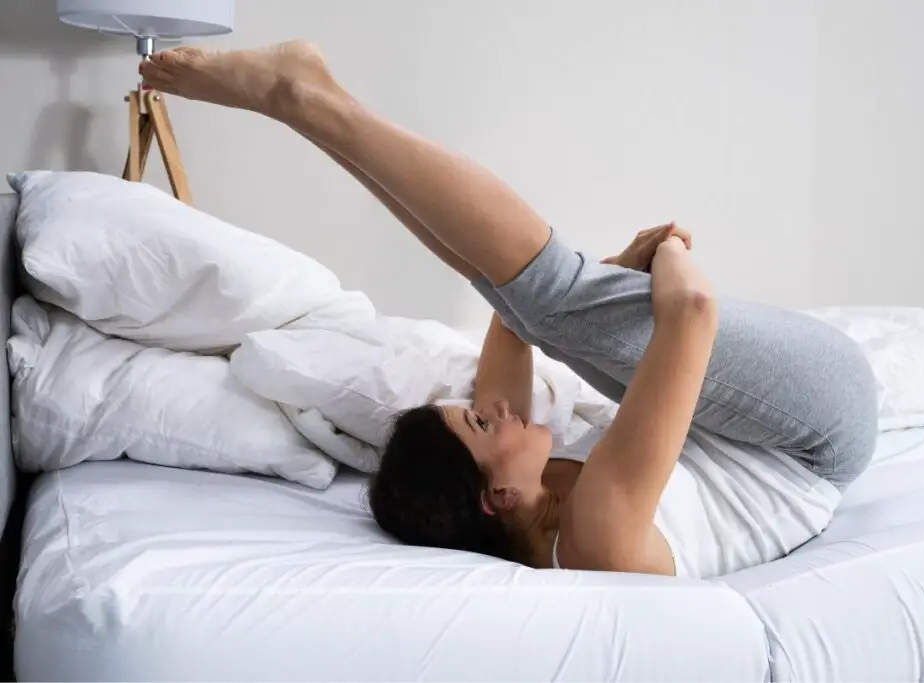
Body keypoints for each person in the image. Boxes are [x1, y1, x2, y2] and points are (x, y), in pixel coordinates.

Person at [140, 41, 879, 578]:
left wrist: (614, 271)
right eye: (481, 422)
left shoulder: (524, 494)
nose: (495, 411)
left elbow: (506, 305)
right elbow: (691, 307)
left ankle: (311, 106)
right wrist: (665, 252)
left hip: (755, 424)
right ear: (495, 496)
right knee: (554, 297)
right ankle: (304, 100)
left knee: (534, 303)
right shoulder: (596, 536)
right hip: (816, 434)